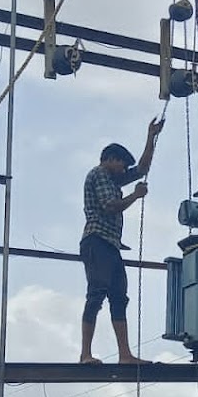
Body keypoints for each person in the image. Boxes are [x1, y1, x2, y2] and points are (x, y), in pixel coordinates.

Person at [79, 117, 166, 365]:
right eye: (121, 165)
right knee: (96, 293)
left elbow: (142, 168)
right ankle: (85, 354)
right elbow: (110, 205)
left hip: (110, 245)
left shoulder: (112, 177)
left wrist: (151, 136)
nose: (123, 170)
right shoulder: (99, 174)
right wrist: (135, 196)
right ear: (110, 160)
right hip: (97, 241)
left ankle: (125, 355)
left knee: (118, 296)